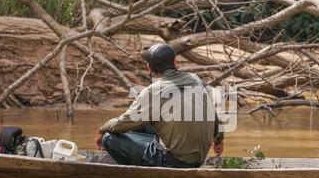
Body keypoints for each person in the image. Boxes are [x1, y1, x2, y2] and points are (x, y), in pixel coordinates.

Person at [95, 43, 224, 168]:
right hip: (199, 158)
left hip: (173, 162)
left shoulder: (153, 91)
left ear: (149, 68)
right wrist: (218, 140)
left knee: (109, 137)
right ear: (175, 62)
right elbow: (214, 115)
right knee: (141, 124)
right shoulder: (197, 81)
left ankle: (138, 175)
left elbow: (123, 122)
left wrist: (103, 129)